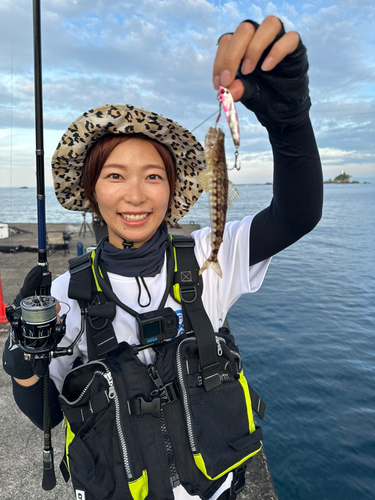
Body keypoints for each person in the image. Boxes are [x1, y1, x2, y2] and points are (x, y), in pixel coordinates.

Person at [3, 16, 323, 500]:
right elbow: (49, 407)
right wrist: (25, 360)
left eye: (153, 175)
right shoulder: (68, 293)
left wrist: (291, 122)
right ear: (90, 191)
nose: (135, 195)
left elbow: (297, 213)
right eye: (114, 176)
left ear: (172, 191)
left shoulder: (207, 257)